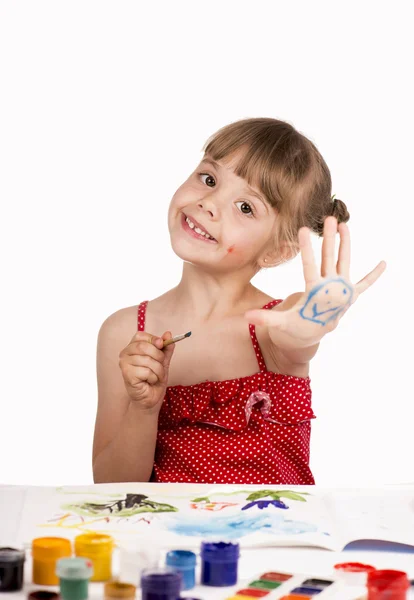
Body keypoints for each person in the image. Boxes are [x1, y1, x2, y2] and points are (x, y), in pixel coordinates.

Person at [92, 117, 385, 485]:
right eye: (209, 179)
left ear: (278, 251)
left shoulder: (274, 325)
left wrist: (312, 325)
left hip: (273, 540)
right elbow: (110, 487)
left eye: (246, 207)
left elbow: (297, 331)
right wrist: (144, 407)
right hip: (170, 541)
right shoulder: (123, 332)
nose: (209, 203)